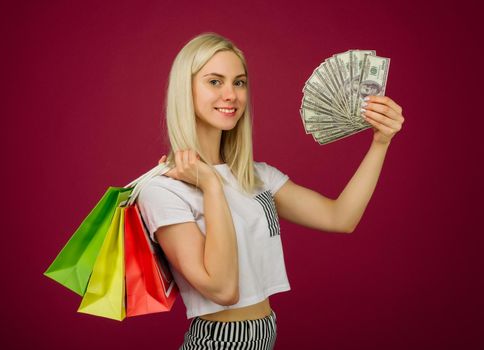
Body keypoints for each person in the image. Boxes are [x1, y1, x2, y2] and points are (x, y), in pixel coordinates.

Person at [137, 32, 405, 349]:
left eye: (239, 82)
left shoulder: (257, 176)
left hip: (265, 336)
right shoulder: (163, 190)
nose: (231, 94)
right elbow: (223, 290)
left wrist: (380, 142)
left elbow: (339, 217)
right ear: (186, 90)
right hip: (217, 342)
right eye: (214, 81)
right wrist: (210, 185)